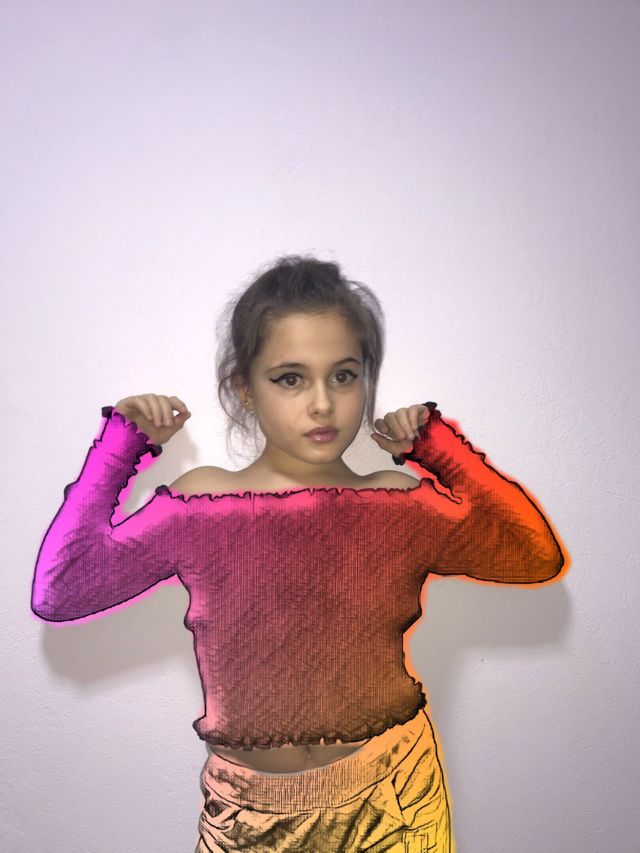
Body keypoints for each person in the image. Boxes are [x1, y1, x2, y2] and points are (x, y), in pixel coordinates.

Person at [31, 255, 565, 852]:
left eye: (344, 376)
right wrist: (120, 447)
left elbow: (532, 554)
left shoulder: (396, 503)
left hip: (395, 795)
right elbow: (61, 590)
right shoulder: (200, 504)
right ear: (245, 388)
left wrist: (438, 448)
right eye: (290, 378)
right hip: (247, 817)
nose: (322, 404)